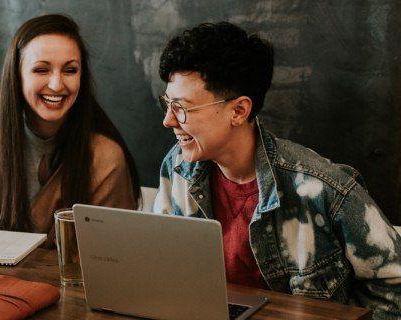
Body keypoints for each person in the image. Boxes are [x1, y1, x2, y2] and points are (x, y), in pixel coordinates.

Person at [151, 22, 401, 318]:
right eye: (167, 104)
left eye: (181, 108)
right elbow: (160, 267)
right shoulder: (178, 167)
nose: (168, 120)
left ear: (239, 111)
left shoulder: (322, 188)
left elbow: (394, 289)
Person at [0, 14, 139, 244]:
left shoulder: (105, 157)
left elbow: (113, 253)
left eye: (70, 70)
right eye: (41, 70)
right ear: (17, 76)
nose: (56, 84)